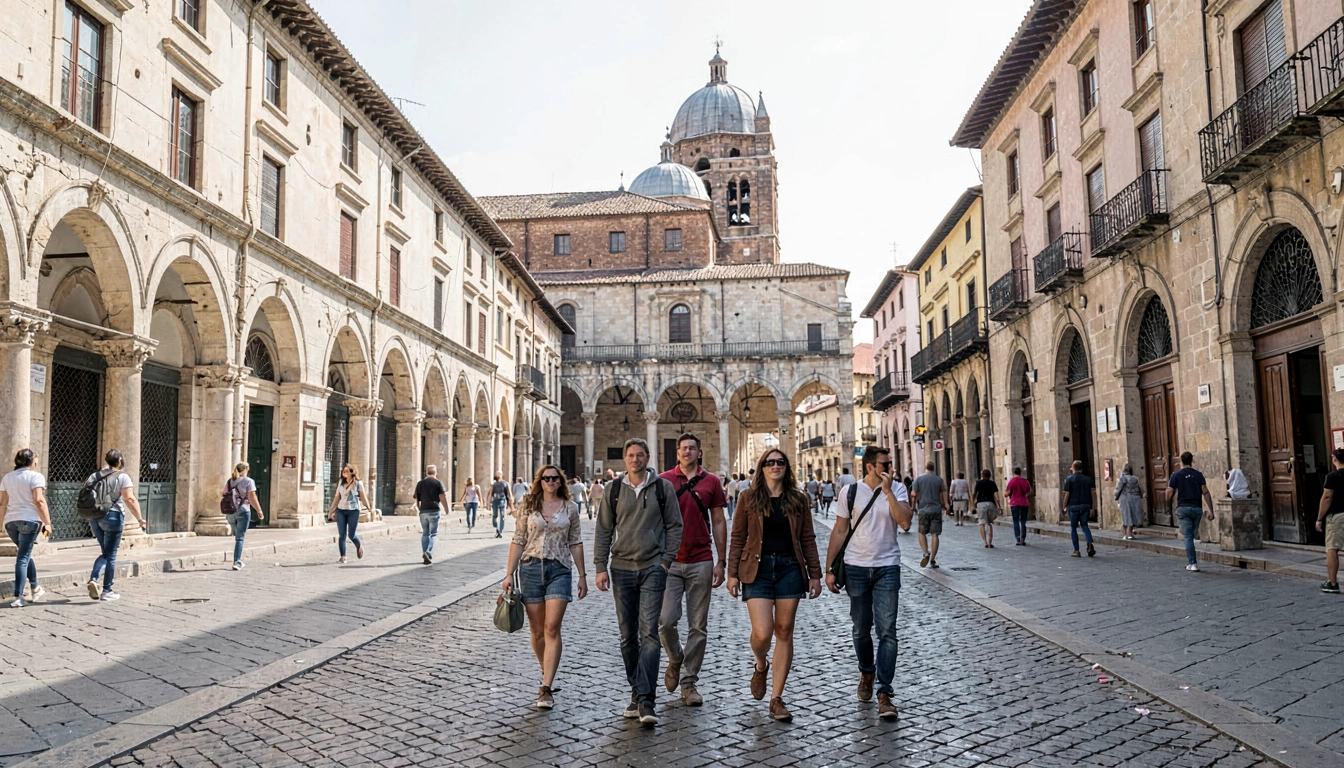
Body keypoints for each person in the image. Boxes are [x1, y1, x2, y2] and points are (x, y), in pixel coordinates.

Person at [728, 448, 822, 722]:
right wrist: (732, 573)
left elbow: (807, 538)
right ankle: (760, 664)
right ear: (762, 467)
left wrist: (814, 573)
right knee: (762, 632)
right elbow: (737, 537)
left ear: (786, 467)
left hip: (790, 568)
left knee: (784, 630)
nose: (775, 466)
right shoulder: (748, 498)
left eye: (780, 462)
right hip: (756, 569)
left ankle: (777, 698)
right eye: (769, 463)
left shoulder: (798, 499)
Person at [593, 437, 682, 726]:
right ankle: (636, 692)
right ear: (625, 459)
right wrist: (600, 567)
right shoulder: (613, 489)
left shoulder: (663, 488)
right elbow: (604, 529)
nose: (635, 459)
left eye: (640, 455)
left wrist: (665, 561)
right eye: (630, 455)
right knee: (627, 637)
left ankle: (646, 700)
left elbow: (674, 525)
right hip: (621, 569)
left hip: (652, 568)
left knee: (650, 634)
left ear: (647, 457)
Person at [824, 446, 912, 721]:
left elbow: (906, 522)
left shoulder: (897, 489)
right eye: (885, 463)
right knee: (861, 629)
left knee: (888, 631)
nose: (890, 467)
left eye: (891, 463)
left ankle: (884, 692)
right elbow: (840, 529)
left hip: (888, 566)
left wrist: (888, 493)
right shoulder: (849, 492)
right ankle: (867, 672)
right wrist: (830, 569)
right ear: (871, 466)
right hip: (856, 567)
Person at [502, 465, 588, 709]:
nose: (550, 482)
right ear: (539, 481)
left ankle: (546, 686)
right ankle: (546, 668)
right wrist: (509, 574)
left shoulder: (571, 508)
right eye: (546, 478)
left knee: (552, 628)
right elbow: (518, 540)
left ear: (561, 482)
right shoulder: (528, 508)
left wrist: (582, 575)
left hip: (559, 569)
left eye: (555, 479)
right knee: (538, 631)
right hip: (530, 569)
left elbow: (576, 542)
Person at [658, 433, 728, 707]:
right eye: (683, 448)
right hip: (670, 561)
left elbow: (719, 520)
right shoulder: (663, 481)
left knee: (698, 626)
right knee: (666, 621)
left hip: (701, 559)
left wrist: (721, 560)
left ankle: (689, 683)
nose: (687, 452)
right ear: (677, 452)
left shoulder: (711, 482)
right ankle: (676, 658)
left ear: (699, 452)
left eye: (692, 448)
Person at [85, 449, 147, 601]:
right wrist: (140, 518)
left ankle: (94, 579)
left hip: (94, 516)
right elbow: (129, 499)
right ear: (119, 459)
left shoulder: (94, 475)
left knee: (106, 553)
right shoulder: (122, 477)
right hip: (113, 516)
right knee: (111, 555)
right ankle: (107, 591)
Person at [2, 449, 52, 607]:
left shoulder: (7, 477)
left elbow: (2, 502)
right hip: (29, 521)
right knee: (22, 558)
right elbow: (39, 500)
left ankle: (36, 587)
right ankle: (19, 596)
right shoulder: (36, 476)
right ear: (32, 461)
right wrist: (47, 523)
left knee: (25, 554)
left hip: (11, 522)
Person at [1166, 452, 1214, 572]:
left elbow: (1169, 492)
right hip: (1196, 508)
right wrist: (1211, 510)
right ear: (1192, 461)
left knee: (1188, 536)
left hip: (1183, 508)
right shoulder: (1198, 475)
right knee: (1191, 535)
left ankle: (1192, 563)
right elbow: (1205, 491)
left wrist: (1167, 505)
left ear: (1181, 461)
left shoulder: (1176, 475)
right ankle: (1192, 559)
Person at [327, 464, 371, 564]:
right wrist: (331, 510)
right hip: (341, 510)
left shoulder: (358, 483)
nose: (344, 472)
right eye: (344, 471)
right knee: (342, 535)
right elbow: (337, 497)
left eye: (347, 471)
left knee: (352, 535)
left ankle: (359, 546)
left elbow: (363, 496)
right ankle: (343, 556)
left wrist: (368, 507)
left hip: (353, 510)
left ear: (352, 472)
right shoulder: (341, 483)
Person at [223, 462, 263, 571]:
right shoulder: (248, 481)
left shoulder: (230, 481)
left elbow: (223, 493)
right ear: (246, 470)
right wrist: (259, 510)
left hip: (230, 512)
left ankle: (238, 559)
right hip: (243, 511)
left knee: (238, 536)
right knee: (240, 538)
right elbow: (252, 497)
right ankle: (237, 561)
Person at [910, 462, 947, 569]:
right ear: (933, 468)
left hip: (923, 509)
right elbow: (943, 493)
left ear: (926, 468)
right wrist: (945, 505)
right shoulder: (939, 480)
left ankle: (926, 552)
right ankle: (933, 559)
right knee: (935, 534)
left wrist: (912, 506)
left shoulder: (918, 479)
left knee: (921, 532)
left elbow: (914, 494)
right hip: (936, 509)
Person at [1317, 449, 1344, 593]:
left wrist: (1319, 518)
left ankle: (1333, 583)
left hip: (1337, 516)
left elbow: (1327, 497)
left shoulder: (1332, 477)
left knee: (1332, 549)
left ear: (1334, 459)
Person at [1061, 460, 1097, 558]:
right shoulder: (1088, 479)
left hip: (1073, 506)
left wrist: (1064, 506)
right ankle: (1089, 543)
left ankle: (1076, 550)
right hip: (1086, 505)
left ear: (1073, 467)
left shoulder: (1069, 479)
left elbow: (1067, 494)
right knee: (1085, 526)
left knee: (1073, 528)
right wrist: (1093, 507)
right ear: (1081, 468)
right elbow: (1093, 493)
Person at [414, 465, 449, 564]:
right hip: (434, 510)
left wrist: (418, 508)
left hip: (423, 511)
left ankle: (425, 552)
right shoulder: (438, 483)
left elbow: (416, 497)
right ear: (436, 473)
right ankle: (428, 552)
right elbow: (442, 496)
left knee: (425, 533)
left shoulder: (420, 483)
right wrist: (446, 509)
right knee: (433, 533)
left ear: (426, 472)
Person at [1115, 463, 1144, 540]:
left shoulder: (1122, 478)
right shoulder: (1135, 479)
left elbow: (1118, 489)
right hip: (1135, 498)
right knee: (1133, 515)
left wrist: (1116, 496)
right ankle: (1129, 533)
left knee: (1126, 515)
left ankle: (1127, 534)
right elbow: (1140, 489)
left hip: (1125, 498)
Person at [973, 469, 1001, 548]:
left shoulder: (978, 483)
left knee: (982, 523)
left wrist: (973, 503)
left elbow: (975, 493)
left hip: (981, 503)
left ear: (982, 475)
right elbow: (996, 496)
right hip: (991, 503)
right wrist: (999, 506)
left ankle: (985, 542)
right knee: (989, 523)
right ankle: (990, 542)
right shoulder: (992, 483)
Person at [1005, 467, 1032, 545]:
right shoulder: (1025, 481)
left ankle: (1018, 538)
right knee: (1023, 521)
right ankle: (1023, 538)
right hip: (1024, 502)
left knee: (1015, 521)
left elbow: (1007, 493)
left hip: (1014, 502)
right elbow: (1030, 491)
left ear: (1013, 472)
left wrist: (1006, 494)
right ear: (1020, 473)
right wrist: (1025, 495)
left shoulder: (1011, 482)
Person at [490, 471, 513, 539]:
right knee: (495, 515)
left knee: (502, 516)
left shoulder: (505, 483)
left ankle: (500, 531)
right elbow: (491, 493)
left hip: (502, 500)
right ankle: (496, 527)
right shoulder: (493, 483)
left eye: (499, 474)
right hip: (495, 501)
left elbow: (509, 492)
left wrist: (511, 498)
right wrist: (488, 502)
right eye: (497, 474)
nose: (498, 475)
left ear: (502, 475)